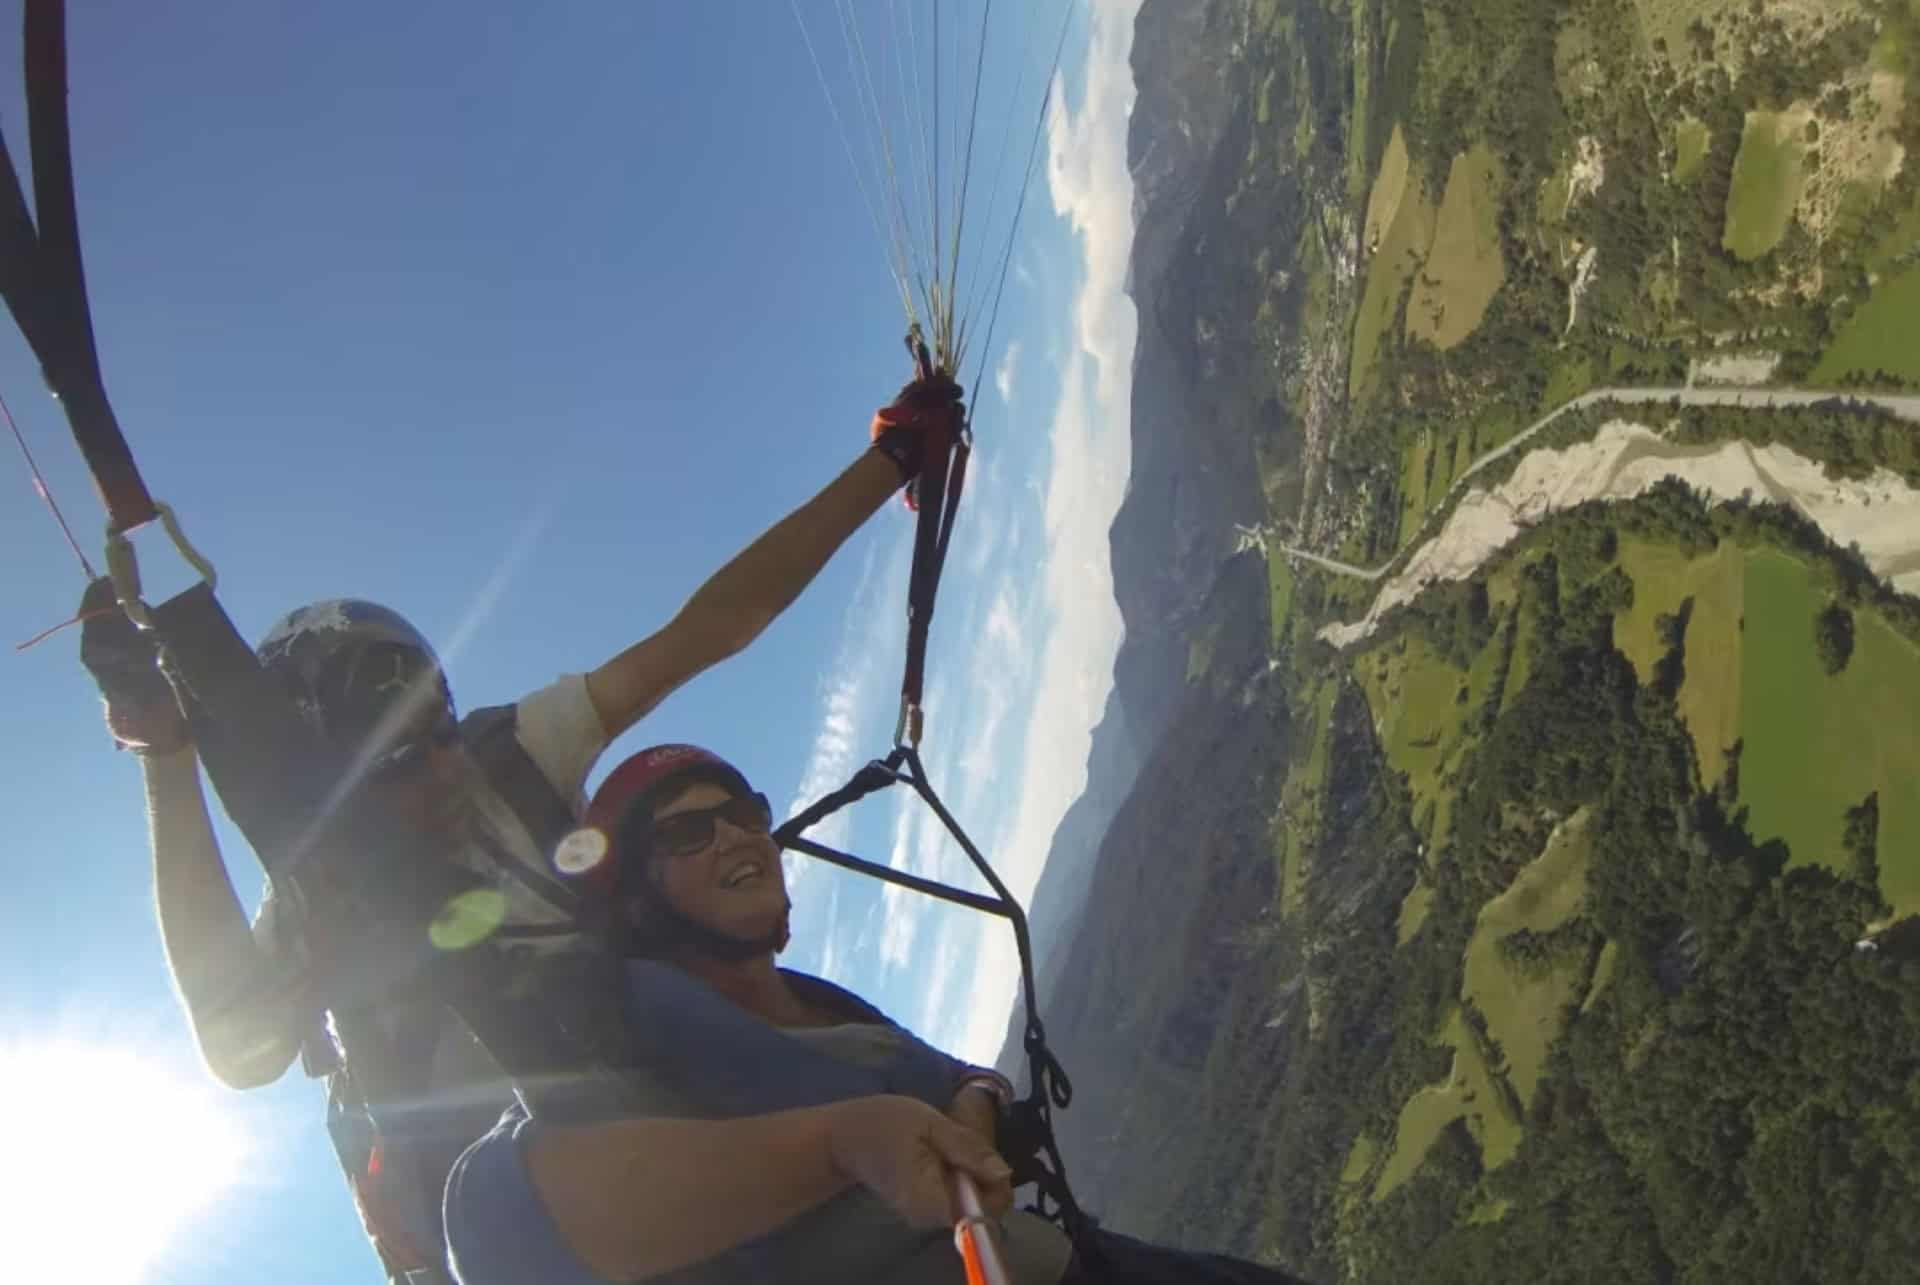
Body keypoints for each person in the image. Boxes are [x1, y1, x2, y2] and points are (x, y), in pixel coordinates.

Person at [78, 376, 964, 1285]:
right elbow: (243, 1045)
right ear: (333, 793)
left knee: (653, 978)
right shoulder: (321, 900)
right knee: (547, 1069)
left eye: (440, 726)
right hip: (537, 1220)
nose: (441, 764)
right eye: (401, 759)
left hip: (682, 1106)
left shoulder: (509, 756)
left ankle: (933, 1116)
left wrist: (887, 463)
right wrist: (167, 755)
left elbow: (708, 631)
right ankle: (879, 1130)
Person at [443, 745, 1318, 1285]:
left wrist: (969, 1109)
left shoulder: (824, 1012)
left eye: (742, 814)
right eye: (686, 834)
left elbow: (970, 1075)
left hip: (1100, 1261)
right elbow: (493, 1224)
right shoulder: (646, 1071)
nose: (738, 836)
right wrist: (840, 1140)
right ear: (639, 902)